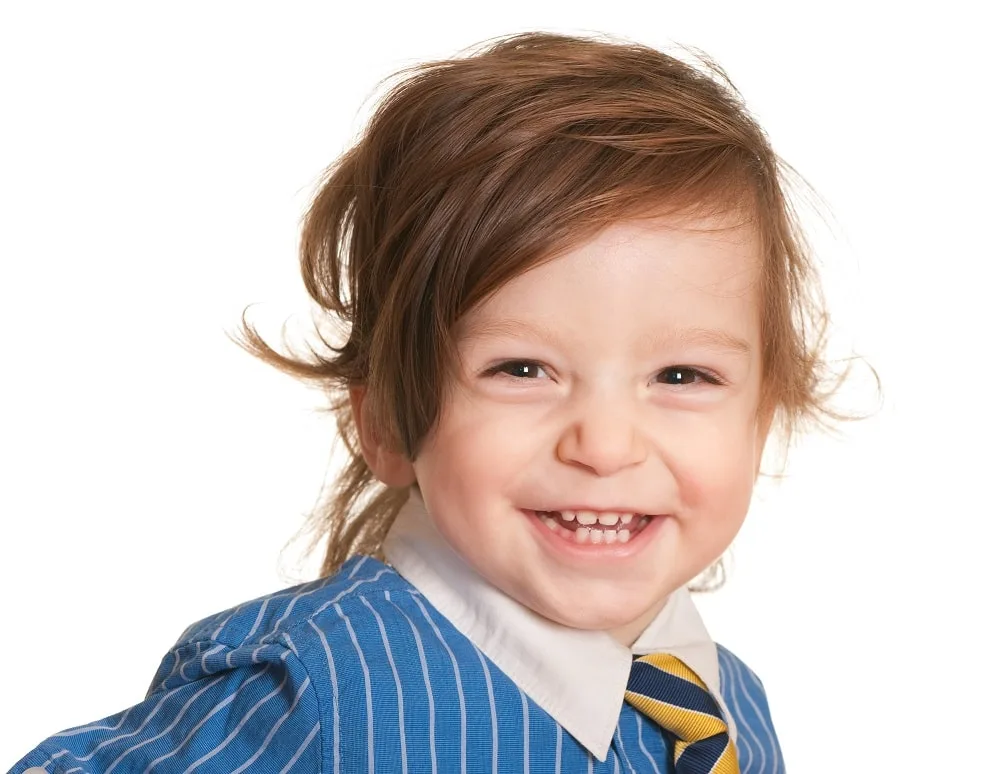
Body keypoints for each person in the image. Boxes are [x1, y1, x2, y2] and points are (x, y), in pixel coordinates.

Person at [11, 29, 842, 774]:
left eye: (682, 377)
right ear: (385, 420)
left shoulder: (727, 709)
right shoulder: (322, 694)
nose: (606, 444)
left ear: (762, 417)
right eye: (522, 370)